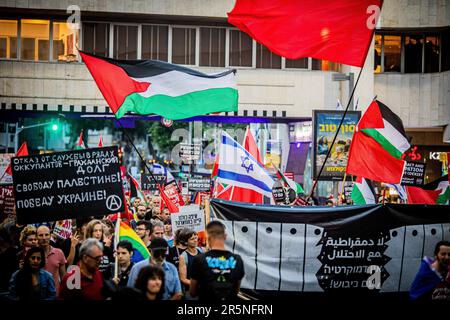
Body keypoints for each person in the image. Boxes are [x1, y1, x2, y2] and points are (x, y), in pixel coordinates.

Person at [189, 221, 245, 301]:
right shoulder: (237, 259)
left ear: (208, 237)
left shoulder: (199, 259)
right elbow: (236, 291)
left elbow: (192, 292)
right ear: (225, 236)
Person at [37, 225, 66, 293]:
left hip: (55, 293)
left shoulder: (59, 252)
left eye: (46, 235)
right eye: (41, 235)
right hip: (38, 294)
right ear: (36, 237)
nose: (44, 238)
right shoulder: (33, 254)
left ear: (50, 236)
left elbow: (63, 277)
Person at [178, 229, 203, 299]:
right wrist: (197, 284)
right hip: (191, 292)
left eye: (196, 238)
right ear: (186, 242)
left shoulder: (201, 250)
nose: (195, 240)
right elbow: (183, 279)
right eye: (192, 239)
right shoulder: (183, 257)